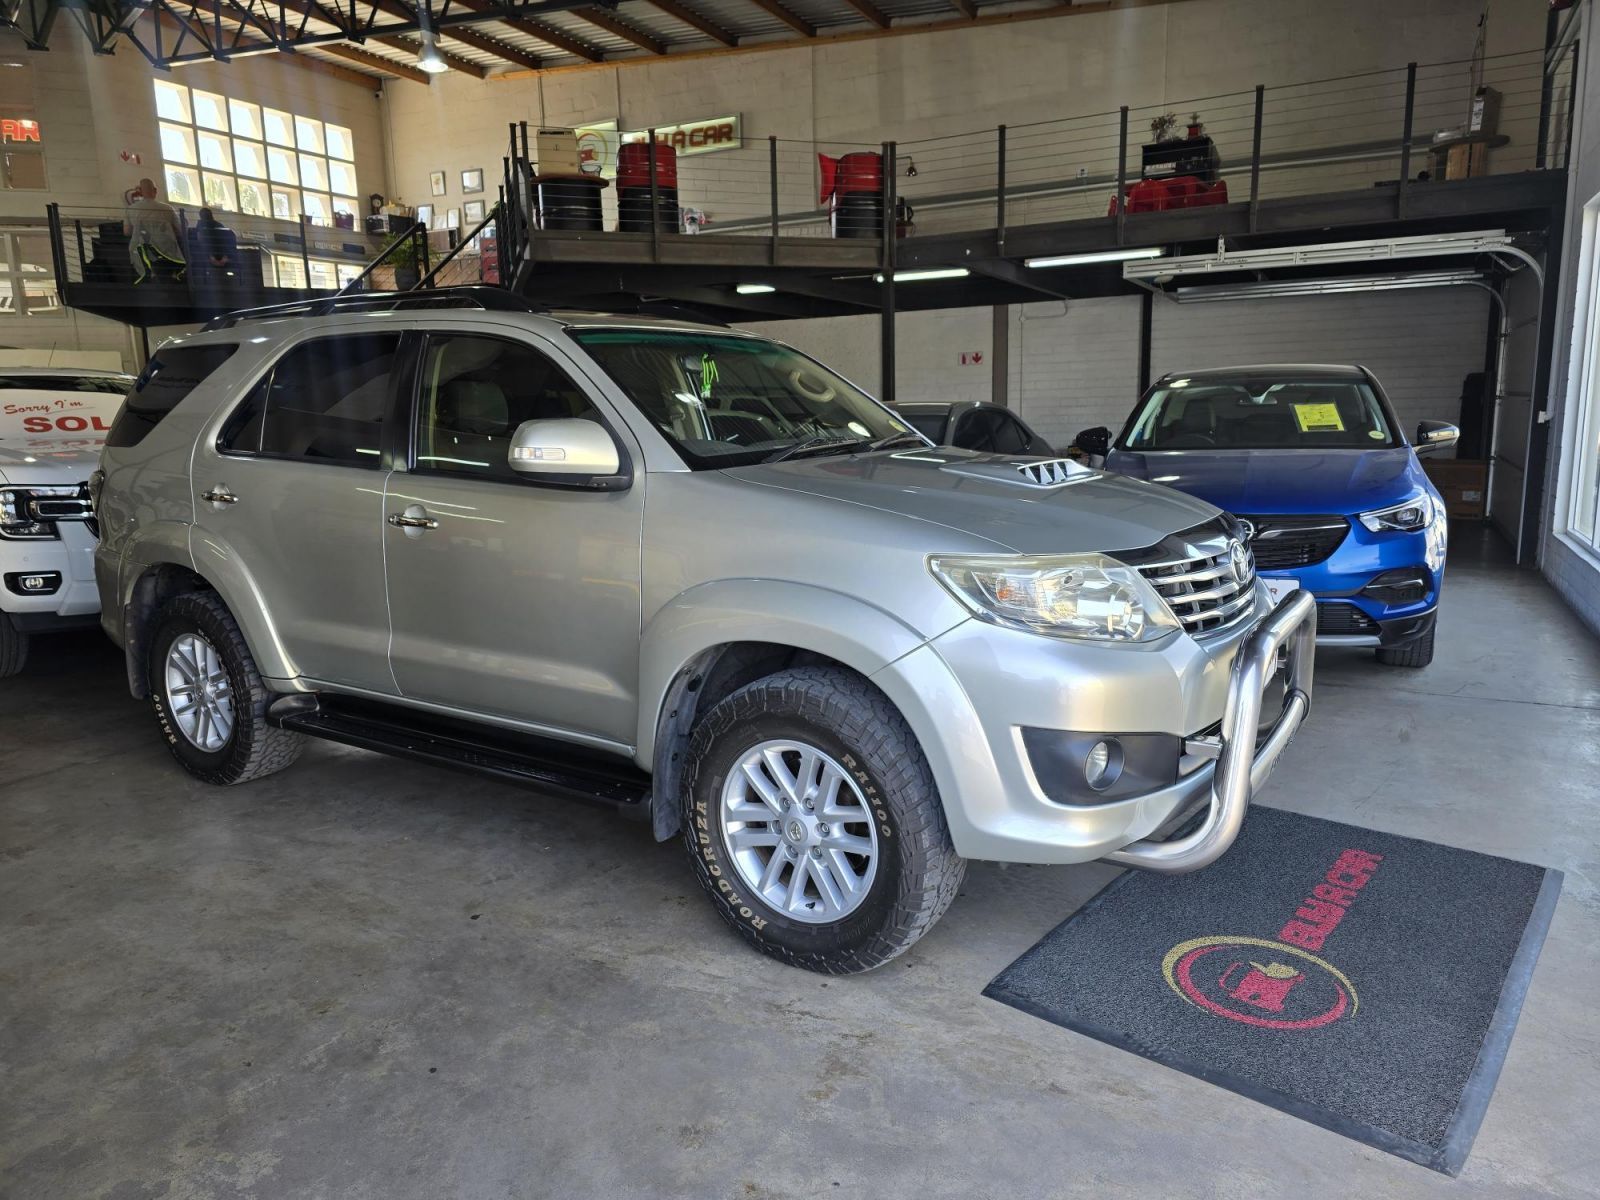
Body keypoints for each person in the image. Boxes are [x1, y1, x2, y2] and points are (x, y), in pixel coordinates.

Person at [123, 178, 185, 282]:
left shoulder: (131, 209)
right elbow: (180, 231)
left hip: (144, 252)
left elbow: (127, 232)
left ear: (140, 192)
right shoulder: (168, 208)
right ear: (155, 190)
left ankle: (147, 274)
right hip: (167, 252)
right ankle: (174, 275)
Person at [195, 207, 236, 273]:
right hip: (224, 258)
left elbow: (200, 241)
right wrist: (225, 257)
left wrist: (211, 257)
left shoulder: (201, 226)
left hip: (209, 258)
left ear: (200, 216)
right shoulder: (220, 226)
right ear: (211, 215)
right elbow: (228, 242)